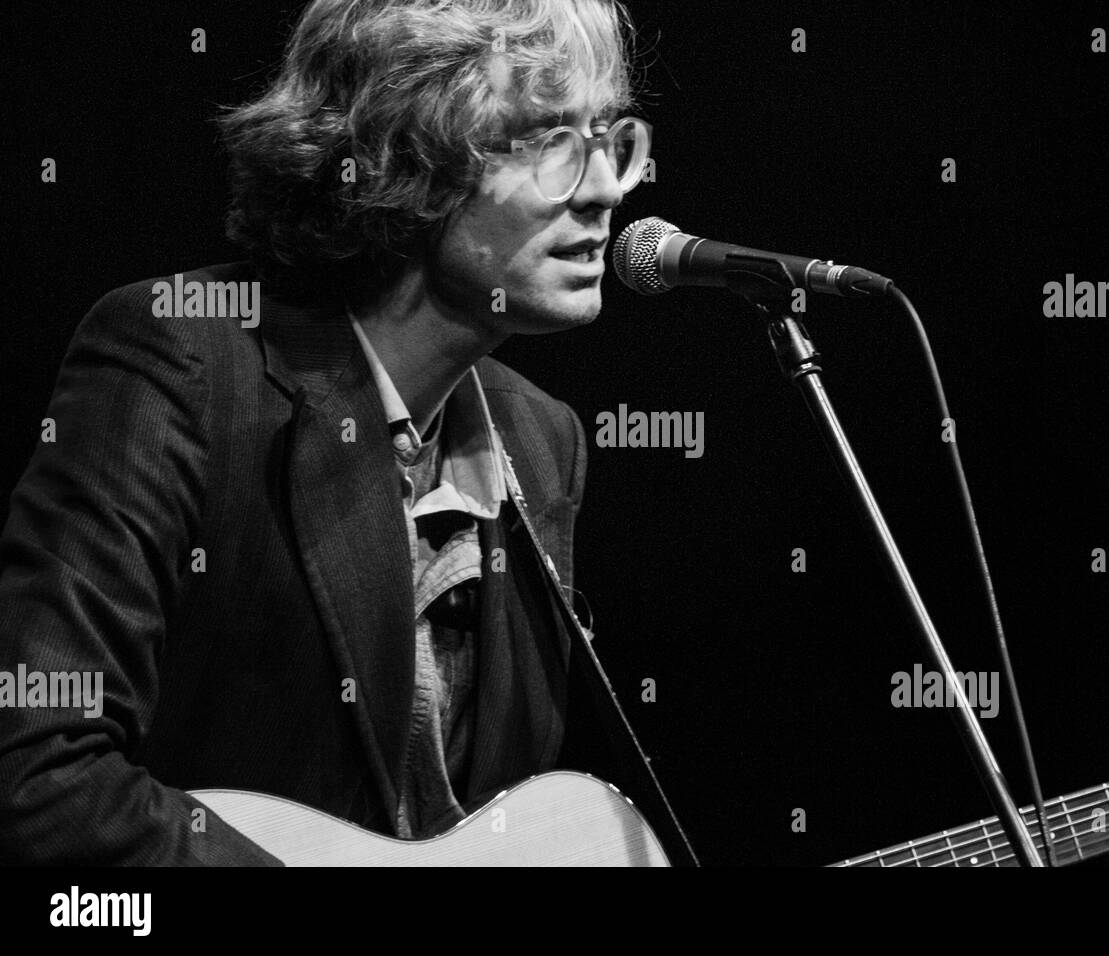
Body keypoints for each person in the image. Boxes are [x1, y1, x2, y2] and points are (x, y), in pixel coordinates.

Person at [0, 0, 651, 864]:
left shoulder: (542, 441)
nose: (607, 186)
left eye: (609, 138)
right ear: (404, 155)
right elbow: (36, 772)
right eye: (546, 139)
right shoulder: (183, 362)